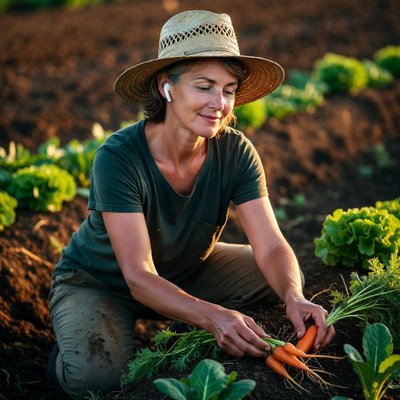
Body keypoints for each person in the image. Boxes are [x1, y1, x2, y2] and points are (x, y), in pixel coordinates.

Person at [47, 9, 335, 399]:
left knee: (276, 280)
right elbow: (137, 275)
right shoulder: (118, 157)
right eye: (204, 87)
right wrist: (213, 315)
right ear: (166, 87)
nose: (219, 103)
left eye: (229, 89)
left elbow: (270, 244)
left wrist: (294, 296)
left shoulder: (236, 152)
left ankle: (185, 319)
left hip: (186, 269)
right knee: (97, 381)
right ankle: (70, 349)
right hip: (102, 283)